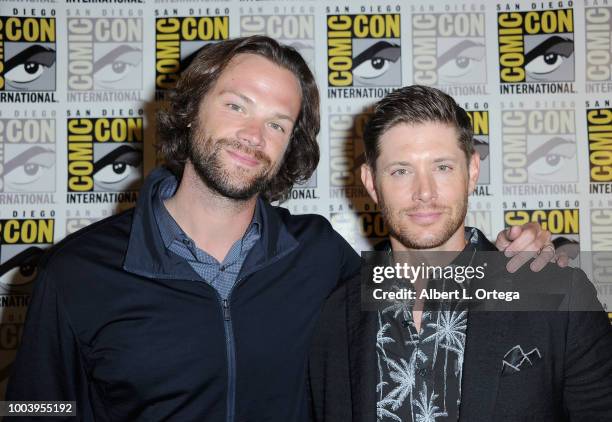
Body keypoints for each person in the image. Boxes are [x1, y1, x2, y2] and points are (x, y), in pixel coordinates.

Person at [7, 38, 556, 422]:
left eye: (277, 123)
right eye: (237, 106)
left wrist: (511, 250)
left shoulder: (317, 255)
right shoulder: (78, 272)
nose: (254, 135)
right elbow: (37, 407)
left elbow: (422, 272)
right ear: (193, 108)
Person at [308, 85, 612, 422]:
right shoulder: (335, 316)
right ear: (370, 182)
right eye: (401, 171)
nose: (425, 192)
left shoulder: (558, 295)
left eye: (442, 167)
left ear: (472, 171)